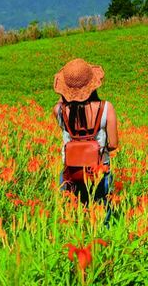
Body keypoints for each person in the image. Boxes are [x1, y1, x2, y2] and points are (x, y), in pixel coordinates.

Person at [52, 58, 119, 209]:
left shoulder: (59, 110)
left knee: (71, 217)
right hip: (99, 170)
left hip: (71, 171)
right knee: (102, 219)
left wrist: (65, 93)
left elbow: (60, 103)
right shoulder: (106, 108)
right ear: (92, 85)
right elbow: (113, 144)